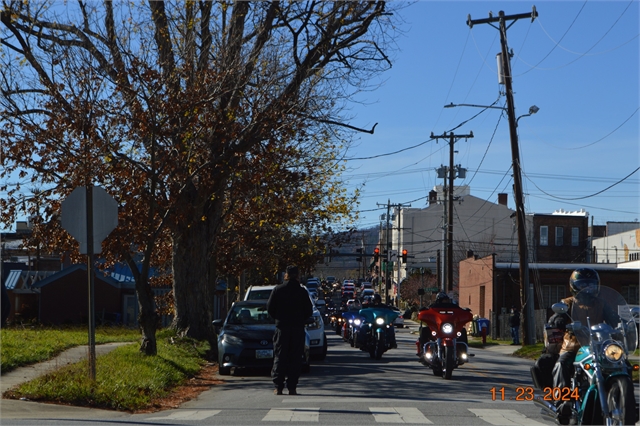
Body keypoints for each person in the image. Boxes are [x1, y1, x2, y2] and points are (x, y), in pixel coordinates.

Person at [551, 268, 618, 425]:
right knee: (562, 364)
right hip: (573, 346)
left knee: (621, 363)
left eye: (591, 285)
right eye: (583, 285)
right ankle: (563, 403)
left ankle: (624, 398)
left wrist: (623, 323)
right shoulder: (567, 302)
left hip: (599, 345)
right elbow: (556, 315)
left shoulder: (601, 304)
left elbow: (613, 318)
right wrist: (558, 320)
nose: (588, 289)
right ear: (574, 286)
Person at [267, 265, 313, 396]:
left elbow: (270, 308)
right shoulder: (302, 292)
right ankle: (292, 387)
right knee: (295, 358)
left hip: (282, 328)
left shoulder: (278, 290)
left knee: (280, 357)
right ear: (297, 276)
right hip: (297, 329)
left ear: (285, 275)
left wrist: (279, 318)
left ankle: (278, 386)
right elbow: (308, 311)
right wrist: (300, 319)